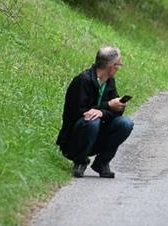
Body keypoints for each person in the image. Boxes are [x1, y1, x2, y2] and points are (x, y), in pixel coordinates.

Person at [56, 46, 134, 178]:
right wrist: (107, 106)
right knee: (92, 121)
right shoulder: (82, 80)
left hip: (97, 135)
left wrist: (104, 111)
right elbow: (77, 113)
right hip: (75, 140)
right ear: (112, 66)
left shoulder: (109, 82)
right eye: (119, 65)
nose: (118, 68)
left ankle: (102, 163)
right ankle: (80, 161)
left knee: (126, 123)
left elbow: (116, 112)